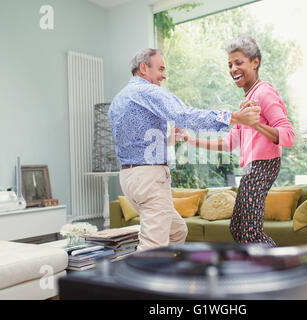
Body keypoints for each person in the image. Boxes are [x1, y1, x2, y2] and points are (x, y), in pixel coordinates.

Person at [108, 48, 262, 252]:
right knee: (152, 247)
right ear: (143, 68)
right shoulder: (147, 91)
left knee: (177, 231)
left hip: (129, 178)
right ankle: (141, 281)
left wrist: (169, 140)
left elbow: (137, 143)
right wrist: (234, 117)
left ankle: (166, 274)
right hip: (149, 178)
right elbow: (186, 115)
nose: (164, 75)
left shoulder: (118, 100)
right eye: (160, 69)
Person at [184, 35, 295, 247]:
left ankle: (284, 269)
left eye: (239, 62)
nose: (233, 69)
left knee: (250, 233)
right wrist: (192, 140)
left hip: (264, 165)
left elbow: (288, 136)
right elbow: (228, 143)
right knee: (237, 228)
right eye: (230, 64)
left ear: (255, 62)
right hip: (251, 168)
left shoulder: (264, 92)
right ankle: (261, 269)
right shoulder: (247, 101)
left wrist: (256, 125)